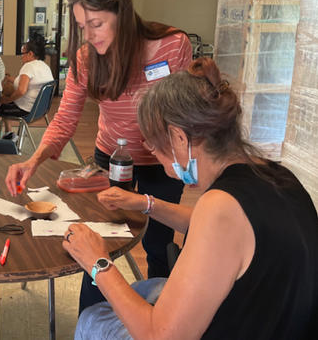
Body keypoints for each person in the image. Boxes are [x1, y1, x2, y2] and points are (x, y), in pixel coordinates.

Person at [65, 57, 318, 340]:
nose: (156, 158)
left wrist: (98, 262)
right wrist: (145, 203)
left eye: (155, 148)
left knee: (92, 318)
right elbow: (223, 236)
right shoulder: (276, 176)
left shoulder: (220, 207)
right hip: (274, 317)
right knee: (141, 289)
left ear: (179, 138)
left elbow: (160, 336)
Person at [5, 0, 193, 312]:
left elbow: (183, 115)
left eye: (96, 23)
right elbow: (64, 118)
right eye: (81, 26)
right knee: (97, 240)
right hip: (111, 158)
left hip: (161, 163)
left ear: (122, 12)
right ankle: (88, 322)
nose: (88, 35)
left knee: (157, 242)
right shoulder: (86, 58)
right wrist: (32, 160)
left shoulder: (172, 45)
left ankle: (161, 318)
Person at [0, 36, 53, 142]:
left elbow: (21, 90)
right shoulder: (44, 67)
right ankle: (9, 134)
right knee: (7, 99)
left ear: (30, 54)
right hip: (40, 109)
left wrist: (7, 100)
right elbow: (25, 83)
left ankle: (7, 135)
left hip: (25, 110)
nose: (21, 57)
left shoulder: (28, 67)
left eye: (22, 54)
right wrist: (8, 79)